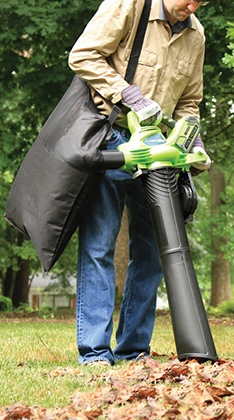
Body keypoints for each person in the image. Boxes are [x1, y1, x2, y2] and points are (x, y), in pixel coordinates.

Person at [68, 0, 211, 366]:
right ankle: (95, 352)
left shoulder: (195, 33)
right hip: (111, 139)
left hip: (160, 152)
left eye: (201, 1)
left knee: (151, 253)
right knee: (99, 245)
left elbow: (190, 100)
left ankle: (133, 350)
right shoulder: (128, 5)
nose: (192, 7)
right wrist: (127, 93)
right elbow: (83, 55)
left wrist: (192, 140)